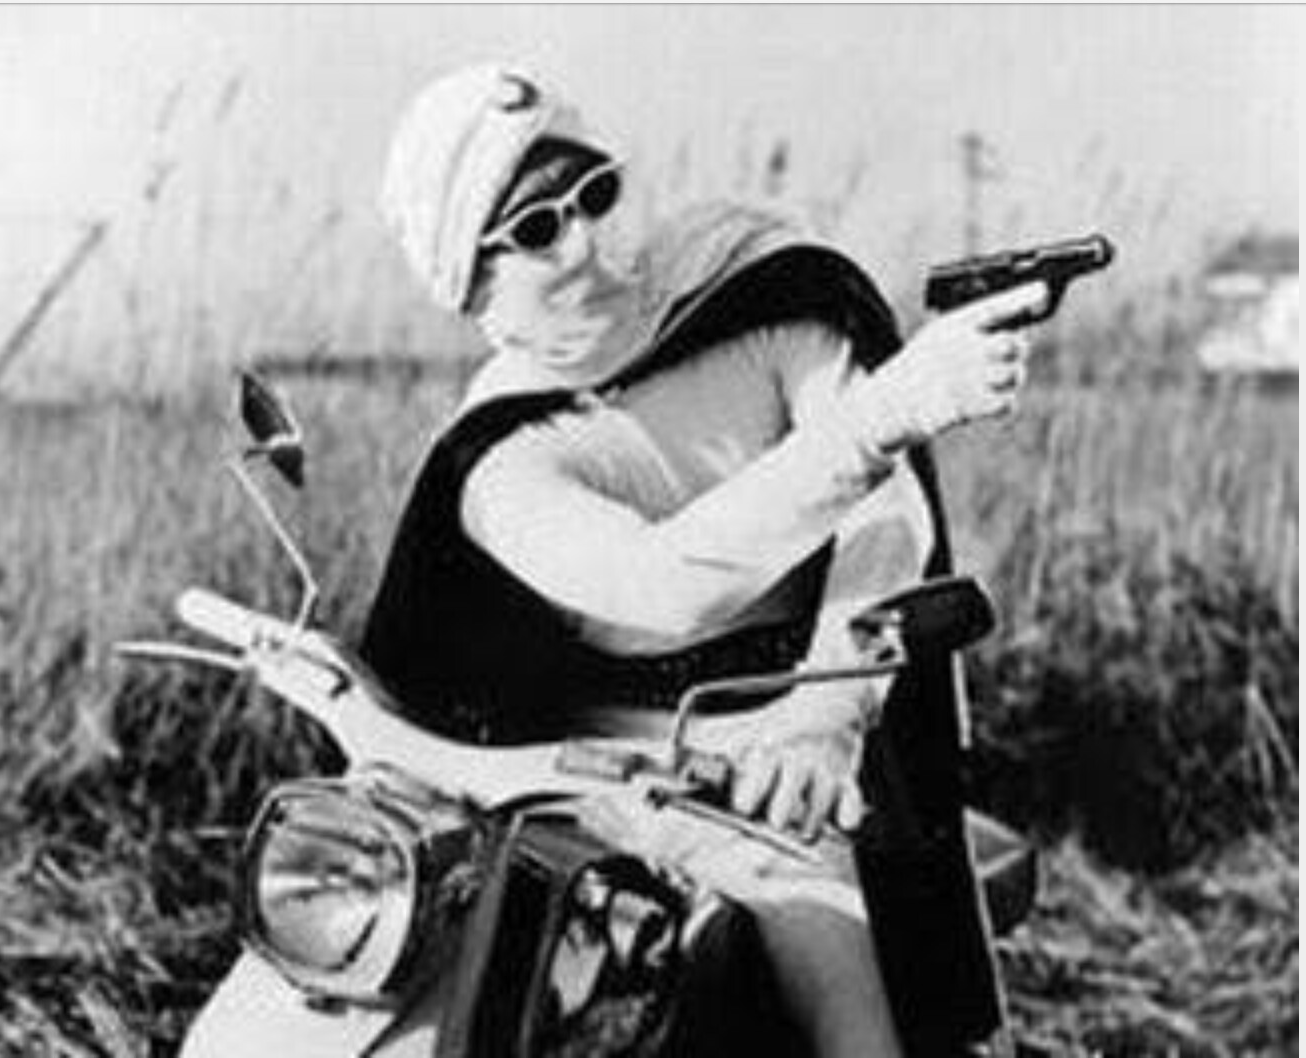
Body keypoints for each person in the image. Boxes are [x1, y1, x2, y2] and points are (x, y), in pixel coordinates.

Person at [185, 63, 1044, 1058]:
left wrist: (821, 719)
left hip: (769, 775)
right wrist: (881, 415)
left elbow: (881, 515)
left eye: (596, 194)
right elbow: (661, 584)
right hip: (552, 778)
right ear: (469, 283)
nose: (586, 242)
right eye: (535, 229)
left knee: (851, 1017)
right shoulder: (501, 458)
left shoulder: (752, 275)